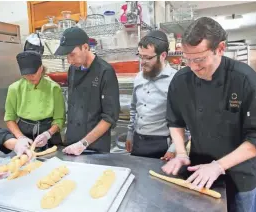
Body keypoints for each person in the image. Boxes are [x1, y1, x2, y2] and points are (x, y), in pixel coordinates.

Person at [162, 17, 256, 212]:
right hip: (200, 173)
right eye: (187, 59)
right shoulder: (181, 80)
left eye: (199, 59)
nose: (193, 66)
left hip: (241, 178)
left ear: (220, 48)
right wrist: (180, 152)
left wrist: (219, 166)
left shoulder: (244, 79)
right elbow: (175, 121)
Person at [54, 27, 120, 155]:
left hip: (94, 145)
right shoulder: (72, 70)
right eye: (66, 56)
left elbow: (109, 117)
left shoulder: (105, 72)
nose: (69, 60)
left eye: (72, 54)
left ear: (85, 47)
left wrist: (83, 143)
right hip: (71, 141)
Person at [125, 30, 179, 159]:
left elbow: (183, 120)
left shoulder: (175, 80)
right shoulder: (139, 77)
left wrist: (174, 148)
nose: (142, 62)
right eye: (141, 56)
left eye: (148, 58)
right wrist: (130, 134)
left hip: (160, 143)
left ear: (163, 55)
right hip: (138, 140)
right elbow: (134, 109)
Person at [4, 51, 65, 150]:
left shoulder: (54, 88)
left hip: (49, 132)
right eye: (26, 74)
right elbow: (9, 118)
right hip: (23, 132)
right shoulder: (14, 88)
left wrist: (48, 134)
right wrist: (20, 137)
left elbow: (59, 119)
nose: (29, 77)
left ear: (41, 68)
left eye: (33, 73)